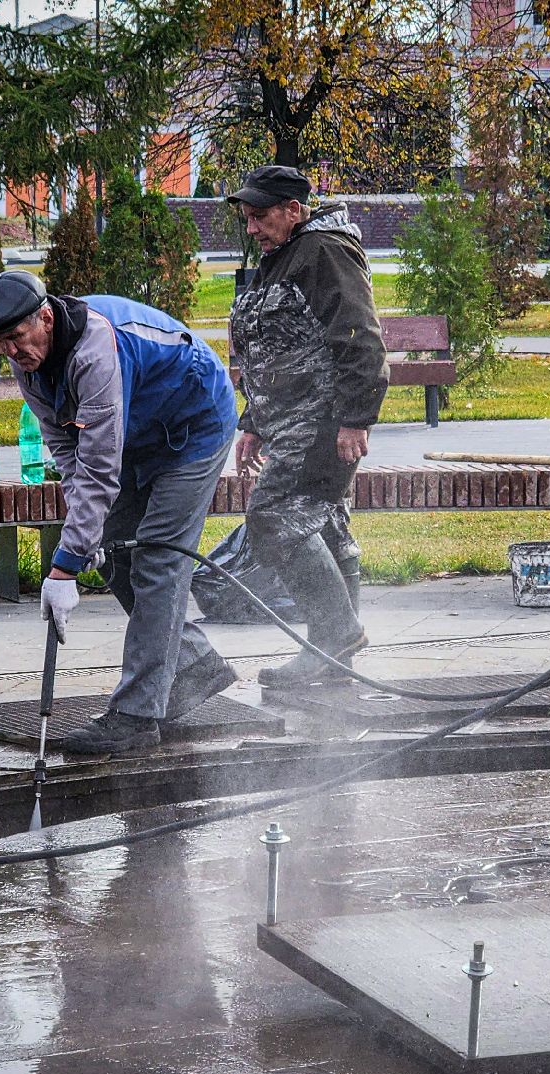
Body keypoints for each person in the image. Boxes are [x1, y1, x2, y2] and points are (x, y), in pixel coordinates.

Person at [0, 271, 239, 755]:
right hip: (136, 434)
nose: (11, 352)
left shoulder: (95, 351)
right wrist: (83, 538)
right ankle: (196, 663)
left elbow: (99, 468)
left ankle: (137, 718)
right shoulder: (28, 363)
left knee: (159, 557)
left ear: (46, 318)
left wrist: (63, 565)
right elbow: (69, 454)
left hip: (195, 425)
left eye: (15, 338)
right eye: (0, 344)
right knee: (116, 552)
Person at [226, 165, 387, 688]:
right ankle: (337, 657)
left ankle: (334, 632)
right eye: (247, 218)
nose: (251, 228)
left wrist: (356, 419)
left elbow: (360, 336)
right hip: (290, 421)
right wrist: (252, 420)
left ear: (293, 210)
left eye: (259, 216)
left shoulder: (324, 252)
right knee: (327, 523)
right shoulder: (283, 256)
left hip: (322, 422)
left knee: (272, 517)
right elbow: (271, 347)